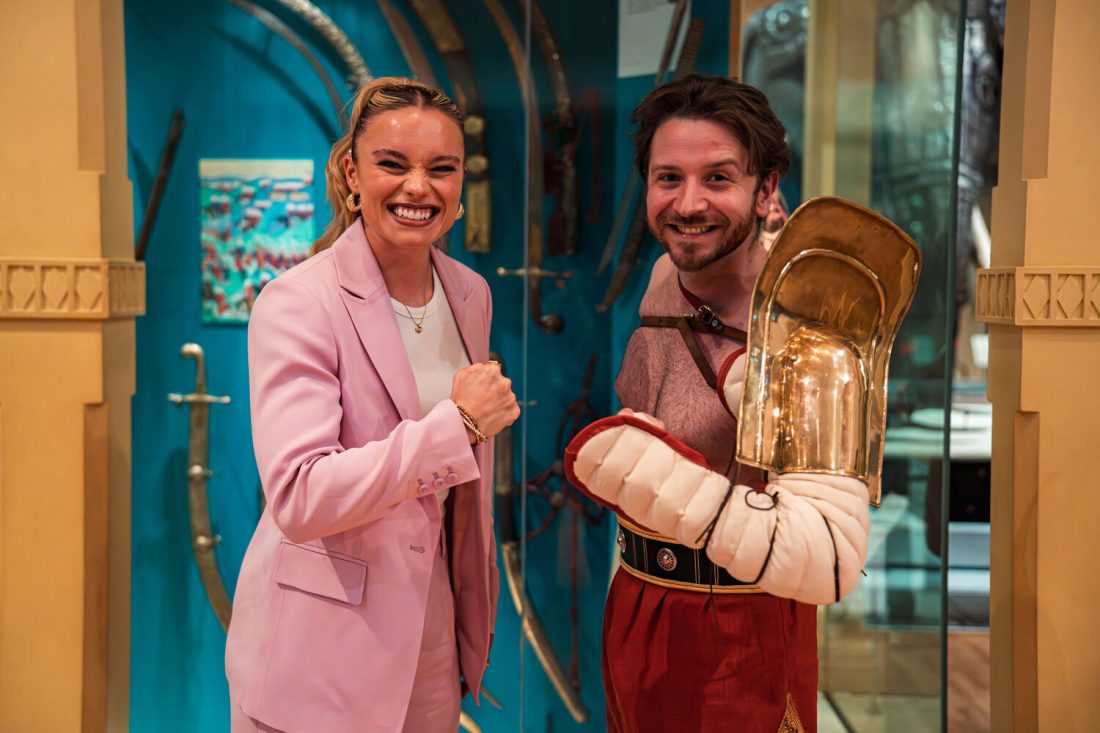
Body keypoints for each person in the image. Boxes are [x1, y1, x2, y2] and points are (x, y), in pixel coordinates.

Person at [566, 75, 872, 732]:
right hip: (638, 613)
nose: (688, 203)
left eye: (718, 179)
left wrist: (660, 480)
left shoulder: (802, 330)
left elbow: (827, 557)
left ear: (766, 190)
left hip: (743, 637)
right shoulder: (661, 277)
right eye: (667, 177)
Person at [225, 77, 519, 733]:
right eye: (394, 164)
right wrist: (458, 424)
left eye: (440, 169)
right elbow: (301, 496)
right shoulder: (299, 301)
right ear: (353, 174)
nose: (419, 188)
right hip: (318, 650)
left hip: (431, 640)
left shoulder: (470, 293)